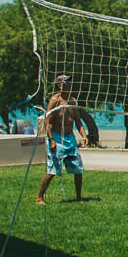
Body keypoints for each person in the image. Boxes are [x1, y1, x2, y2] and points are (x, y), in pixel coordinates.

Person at [36, 75, 88, 204]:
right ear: (59, 85)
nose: (69, 84)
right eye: (66, 82)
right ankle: (39, 198)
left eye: (70, 82)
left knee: (78, 169)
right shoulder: (55, 100)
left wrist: (84, 136)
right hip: (56, 137)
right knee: (53, 170)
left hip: (70, 138)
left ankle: (79, 198)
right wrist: (51, 140)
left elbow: (78, 121)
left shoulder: (73, 101)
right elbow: (47, 122)